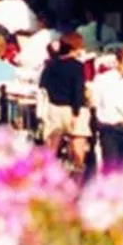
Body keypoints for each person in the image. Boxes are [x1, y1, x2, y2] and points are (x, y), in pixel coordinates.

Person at [39, 33, 91, 169]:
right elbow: (78, 90)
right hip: (72, 109)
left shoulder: (51, 65)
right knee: (78, 140)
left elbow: (43, 85)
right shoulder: (77, 66)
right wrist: (76, 112)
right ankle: (78, 170)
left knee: (52, 143)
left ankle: (48, 171)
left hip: (54, 108)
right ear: (75, 48)